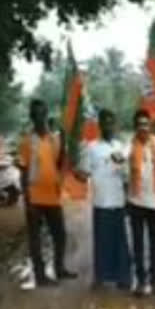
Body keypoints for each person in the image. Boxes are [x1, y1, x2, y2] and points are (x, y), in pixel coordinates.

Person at [17, 99, 78, 287]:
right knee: (35, 239)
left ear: (46, 114)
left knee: (60, 234)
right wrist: (27, 201)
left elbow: (59, 164)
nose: (40, 118)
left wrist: (65, 144)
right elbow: (24, 172)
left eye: (43, 113)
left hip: (52, 196)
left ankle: (60, 268)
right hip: (34, 198)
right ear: (32, 117)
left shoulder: (54, 139)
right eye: (36, 114)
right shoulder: (27, 142)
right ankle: (40, 276)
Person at [77, 109, 133, 291]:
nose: (109, 126)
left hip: (118, 199)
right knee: (102, 241)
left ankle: (123, 277)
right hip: (101, 200)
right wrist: (74, 170)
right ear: (100, 125)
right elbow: (84, 173)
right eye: (105, 122)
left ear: (115, 124)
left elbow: (126, 174)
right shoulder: (91, 147)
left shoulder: (121, 146)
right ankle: (101, 277)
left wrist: (128, 195)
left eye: (112, 122)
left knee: (120, 240)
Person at [126, 109, 155, 296]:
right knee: (137, 242)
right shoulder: (129, 146)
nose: (143, 128)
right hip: (135, 200)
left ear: (150, 126)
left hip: (154, 200)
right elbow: (123, 170)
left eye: (146, 124)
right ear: (135, 127)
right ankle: (140, 281)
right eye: (140, 124)